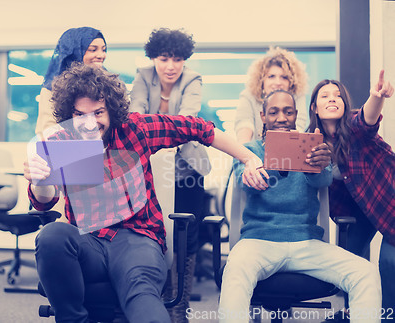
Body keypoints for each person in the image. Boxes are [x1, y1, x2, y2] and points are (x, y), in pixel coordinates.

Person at [24, 63, 268, 323]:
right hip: (89, 243)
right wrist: (39, 180)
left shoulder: (135, 130)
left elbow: (200, 129)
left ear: (111, 109)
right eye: (80, 115)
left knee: (141, 297)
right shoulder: (63, 141)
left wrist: (249, 157)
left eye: (98, 113)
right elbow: (44, 201)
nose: (90, 124)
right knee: (52, 235)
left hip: (137, 239)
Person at [218, 90, 382, 323]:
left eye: (288, 111)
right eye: (274, 112)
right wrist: (258, 169)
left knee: (365, 273)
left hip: (306, 243)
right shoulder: (249, 151)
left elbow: (322, 180)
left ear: (296, 115)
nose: (282, 117)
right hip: (258, 242)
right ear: (263, 116)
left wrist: (318, 163)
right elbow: (245, 181)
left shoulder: (312, 148)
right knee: (234, 270)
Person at [129, 27, 207, 321]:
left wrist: (155, 128)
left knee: (186, 233)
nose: (171, 66)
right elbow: (133, 116)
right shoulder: (142, 76)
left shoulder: (193, 79)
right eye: (164, 59)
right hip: (149, 168)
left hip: (187, 168)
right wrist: (164, 128)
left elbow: (188, 120)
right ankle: (156, 299)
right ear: (154, 58)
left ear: (184, 59)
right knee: (153, 231)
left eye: (177, 59)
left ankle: (180, 307)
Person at [307, 71, 394, 321]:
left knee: (389, 265)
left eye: (338, 95)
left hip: (388, 202)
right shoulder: (311, 142)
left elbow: (368, 118)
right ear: (314, 107)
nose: (332, 98)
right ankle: (353, 314)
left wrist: (376, 97)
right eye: (325, 95)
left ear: (345, 105)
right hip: (355, 214)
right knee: (350, 266)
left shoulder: (355, 127)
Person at [36, 26, 107, 135]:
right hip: (67, 148)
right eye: (93, 49)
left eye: (104, 49)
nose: (101, 55)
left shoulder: (110, 83)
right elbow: (48, 131)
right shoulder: (53, 88)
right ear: (75, 52)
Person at [235, 47, 308, 143]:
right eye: (271, 76)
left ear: (292, 82)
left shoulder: (297, 96)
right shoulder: (249, 96)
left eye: (284, 77)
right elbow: (244, 124)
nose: (278, 82)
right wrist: (244, 152)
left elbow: (299, 126)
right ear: (261, 80)